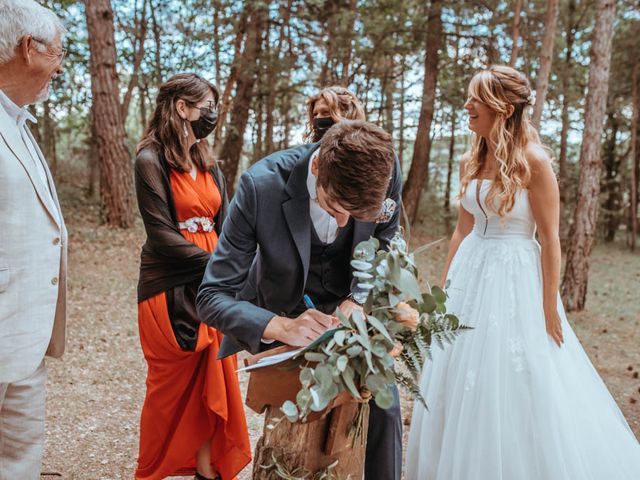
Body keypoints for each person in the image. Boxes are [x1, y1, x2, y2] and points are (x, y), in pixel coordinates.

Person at [405, 65, 640, 480]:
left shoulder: (534, 160)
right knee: (456, 372)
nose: (467, 105)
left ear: (505, 107)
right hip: (471, 272)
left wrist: (549, 306)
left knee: (518, 373)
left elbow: (550, 238)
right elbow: (461, 229)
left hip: (515, 278)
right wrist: (444, 291)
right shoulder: (472, 156)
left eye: (476, 98)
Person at [197, 119, 403, 479]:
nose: (343, 224)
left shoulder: (385, 169)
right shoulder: (260, 187)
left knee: (381, 408)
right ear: (317, 166)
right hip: (285, 313)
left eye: (353, 216)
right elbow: (212, 296)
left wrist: (357, 298)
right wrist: (281, 326)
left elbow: (384, 240)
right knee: (294, 435)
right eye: (334, 206)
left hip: (351, 311)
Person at [134, 73, 250, 480]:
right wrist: (221, 263)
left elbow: (229, 222)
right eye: (207, 107)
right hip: (169, 286)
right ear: (181, 108)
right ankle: (151, 469)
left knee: (212, 380)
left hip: (212, 287)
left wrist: (239, 262)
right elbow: (162, 235)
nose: (212, 116)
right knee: (169, 391)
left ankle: (206, 470)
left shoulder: (210, 164)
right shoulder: (149, 160)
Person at [0, 1, 67, 477]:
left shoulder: (20, 122)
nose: (59, 67)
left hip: (25, 337)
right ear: (29, 49)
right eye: (57, 54)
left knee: (20, 459)